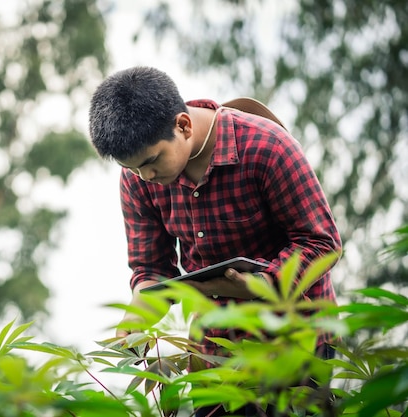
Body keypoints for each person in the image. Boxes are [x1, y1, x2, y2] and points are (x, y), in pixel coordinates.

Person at [87, 66, 342, 417]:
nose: (145, 176)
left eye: (151, 161)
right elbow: (151, 268)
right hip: (213, 353)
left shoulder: (267, 147)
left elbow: (321, 242)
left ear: (183, 125)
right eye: (131, 168)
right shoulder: (138, 179)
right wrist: (137, 318)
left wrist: (264, 285)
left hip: (296, 340)